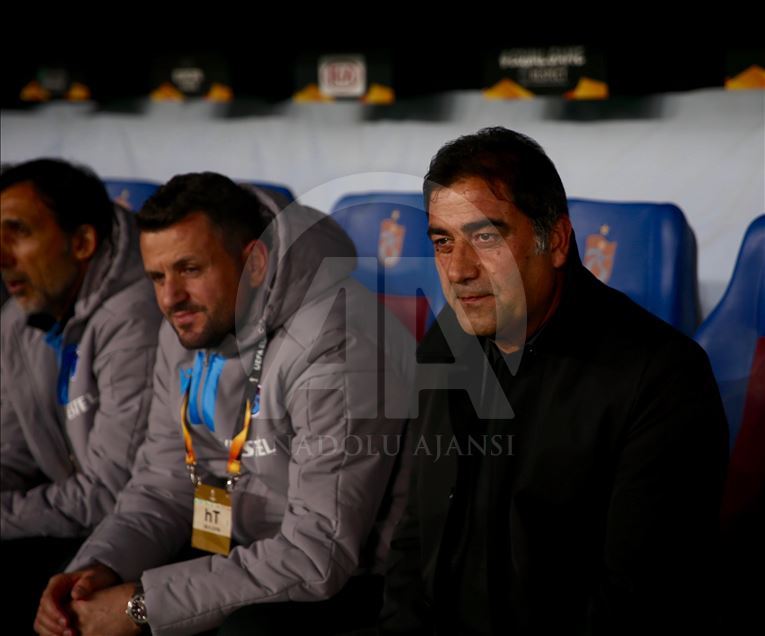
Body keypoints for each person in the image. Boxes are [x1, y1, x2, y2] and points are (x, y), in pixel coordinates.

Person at [378, 127, 729, 635]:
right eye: (443, 242)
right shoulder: (447, 342)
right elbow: (417, 534)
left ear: (557, 241)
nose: (457, 270)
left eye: (486, 237)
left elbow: (640, 604)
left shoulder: (662, 378)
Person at [34, 173, 413, 636]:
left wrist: (141, 606)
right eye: (157, 276)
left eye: (190, 269)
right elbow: (162, 485)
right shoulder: (190, 324)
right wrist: (96, 570)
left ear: (255, 263)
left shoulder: (339, 342)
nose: (170, 298)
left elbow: (317, 555)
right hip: (245, 550)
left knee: (239, 629)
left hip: (356, 580)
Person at [0, 158, 161, 632]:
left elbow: (110, 492)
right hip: (74, 522)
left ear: (83, 242)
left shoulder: (139, 315)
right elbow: (12, 452)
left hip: (138, 535)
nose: (2, 255)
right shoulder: (18, 318)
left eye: (17, 232)